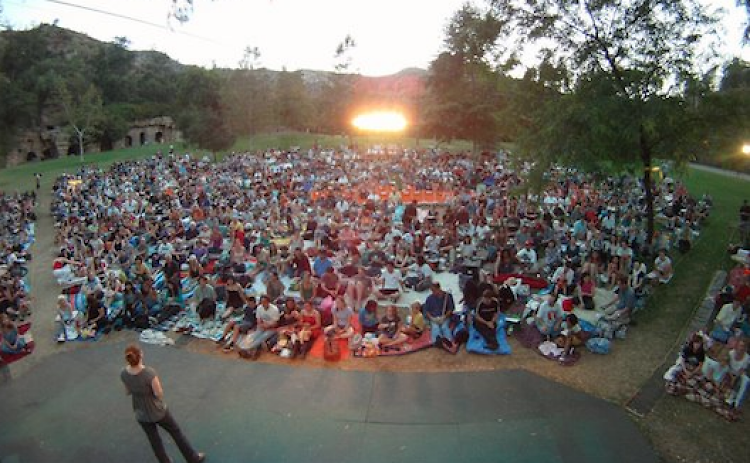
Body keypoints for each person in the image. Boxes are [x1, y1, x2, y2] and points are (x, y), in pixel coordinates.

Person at [120, 345, 206, 463]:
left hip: (141, 412)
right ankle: (192, 458)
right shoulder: (149, 373)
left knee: (154, 441)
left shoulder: (124, 374)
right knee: (176, 432)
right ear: (141, 355)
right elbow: (158, 393)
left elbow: (127, 391)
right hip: (158, 410)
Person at [238, 294, 280, 360]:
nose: (263, 304)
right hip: (262, 326)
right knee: (254, 335)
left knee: (262, 338)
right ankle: (244, 347)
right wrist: (261, 325)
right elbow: (258, 319)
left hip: (272, 328)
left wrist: (267, 326)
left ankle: (246, 349)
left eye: (265, 302)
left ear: (268, 302)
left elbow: (276, 323)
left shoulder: (274, 309)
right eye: (262, 302)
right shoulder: (259, 308)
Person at [423, 282, 456, 351]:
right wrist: (432, 318)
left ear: (439, 288)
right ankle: (437, 342)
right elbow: (426, 311)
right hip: (434, 318)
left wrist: (444, 317)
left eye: (434, 290)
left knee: (444, 327)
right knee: (435, 328)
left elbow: (451, 309)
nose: (433, 292)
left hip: (445, 317)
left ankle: (449, 341)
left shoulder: (448, 296)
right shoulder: (429, 298)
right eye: (432, 290)